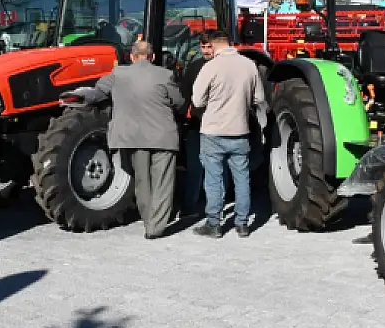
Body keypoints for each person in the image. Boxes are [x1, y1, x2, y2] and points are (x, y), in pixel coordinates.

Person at [93, 40, 185, 239]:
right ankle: (156, 227)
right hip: (162, 137)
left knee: (142, 182)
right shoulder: (165, 74)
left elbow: (99, 89)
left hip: (133, 138)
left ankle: (148, 221)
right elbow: (178, 103)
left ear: (132, 57)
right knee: (163, 183)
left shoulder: (118, 74)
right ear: (152, 57)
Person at [190, 30, 267, 238]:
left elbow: (197, 101)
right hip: (240, 130)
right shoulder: (249, 65)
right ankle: (242, 224)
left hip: (213, 131)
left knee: (214, 179)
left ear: (213, 46)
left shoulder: (210, 67)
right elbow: (259, 98)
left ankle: (214, 224)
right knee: (242, 178)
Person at [180, 32, 215, 217]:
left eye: (209, 47)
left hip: (216, 125)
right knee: (194, 167)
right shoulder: (194, 67)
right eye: (203, 47)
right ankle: (190, 205)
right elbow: (185, 94)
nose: (206, 51)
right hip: (196, 124)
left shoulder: (221, 67)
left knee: (216, 169)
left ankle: (214, 207)